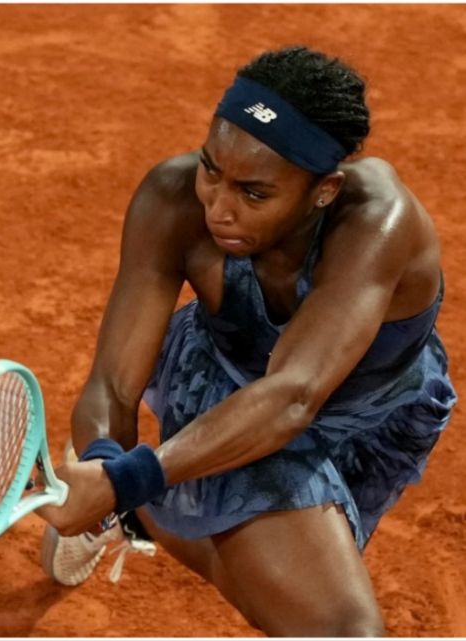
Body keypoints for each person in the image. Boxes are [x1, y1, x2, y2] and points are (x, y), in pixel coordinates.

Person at [35, 46, 456, 636]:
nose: (218, 209)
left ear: (325, 191)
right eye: (212, 169)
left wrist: (125, 484)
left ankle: (141, 516)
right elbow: (113, 382)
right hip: (228, 393)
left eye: (254, 193)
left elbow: (292, 396)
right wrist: (106, 461)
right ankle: (137, 506)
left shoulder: (378, 222)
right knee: (342, 630)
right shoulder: (173, 196)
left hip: (356, 415)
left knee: (263, 569)